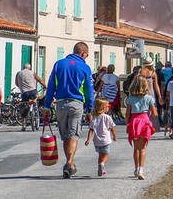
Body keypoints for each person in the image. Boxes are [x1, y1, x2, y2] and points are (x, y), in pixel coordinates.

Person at [43, 42, 94, 179]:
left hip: (60, 104)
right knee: (73, 134)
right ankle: (69, 162)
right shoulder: (85, 67)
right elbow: (89, 91)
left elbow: (51, 87)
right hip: (76, 104)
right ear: (83, 53)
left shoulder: (59, 64)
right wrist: (90, 110)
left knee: (65, 135)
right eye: (87, 55)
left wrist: (47, 106)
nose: (86, 58)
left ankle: (69, 164)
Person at [125, 75, 157, 180]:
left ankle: (136, 168)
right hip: (144, 121)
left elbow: (127, 114)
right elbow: (154, 113)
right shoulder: (149, 98)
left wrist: (127, 124)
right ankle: (141, 170)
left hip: (134, 122)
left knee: (136, 148)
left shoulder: (130, 99)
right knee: (143, 148)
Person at [84, 97, 117, 178]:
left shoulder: (94, 118)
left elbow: (91, 130)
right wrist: (114, 136)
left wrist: (88, 139)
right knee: (106, 154)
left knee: (100, 154)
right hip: (105, 140)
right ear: (104, 108)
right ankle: (102, 164)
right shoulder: (107, 117)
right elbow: (112, 128)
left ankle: (101, 166)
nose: (109, 108)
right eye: (108, 106)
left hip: (97, 141)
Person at [15, 62, 46, 131]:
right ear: (29, 68)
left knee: (24, 107)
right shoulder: (32, 73)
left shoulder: (19, 73)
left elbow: (17, 83)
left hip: (24, 92)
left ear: (24, 67)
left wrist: (22, 87)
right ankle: (35, 109)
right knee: (36, 97)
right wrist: (45, 86)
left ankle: (24, 124)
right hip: (33, 91)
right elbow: (40, 80)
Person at [138, 56, 163, 133]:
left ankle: (143, 126)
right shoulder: (153, 72)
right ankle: (151, 126)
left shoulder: (140, 71)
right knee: (152, 111)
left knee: (143, 111)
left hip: (142, 93)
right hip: (151, 93)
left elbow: (137, 82)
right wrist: (159, 96)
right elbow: (156, 85)